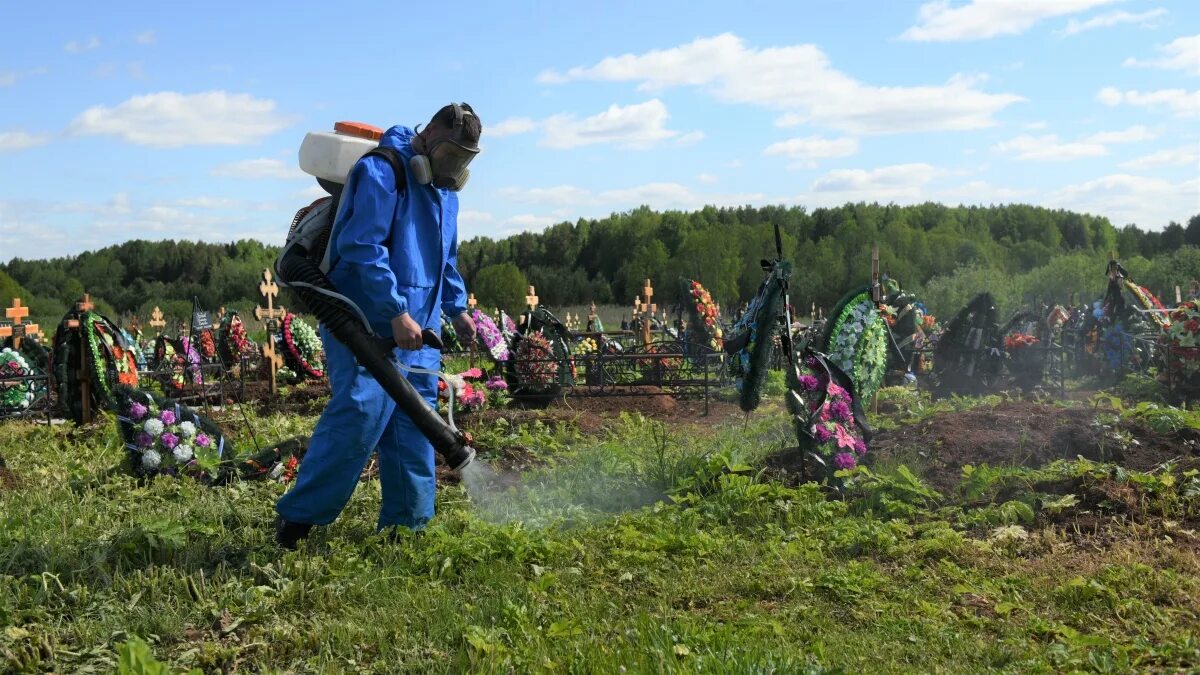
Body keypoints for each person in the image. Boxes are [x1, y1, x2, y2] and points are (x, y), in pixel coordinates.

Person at [275, 103, 481, 548]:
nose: (453, 169)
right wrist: (394, 310)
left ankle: (406, 529)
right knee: (361, 413)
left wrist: (457, 308)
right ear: (428, 137)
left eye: (463, 161)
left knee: (414, 425)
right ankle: (297, 522)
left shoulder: (446, 194)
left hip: (420, 329)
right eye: (449, 156)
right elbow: (362, 246)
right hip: (366, 319)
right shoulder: (382, 171)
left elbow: (446, 259)